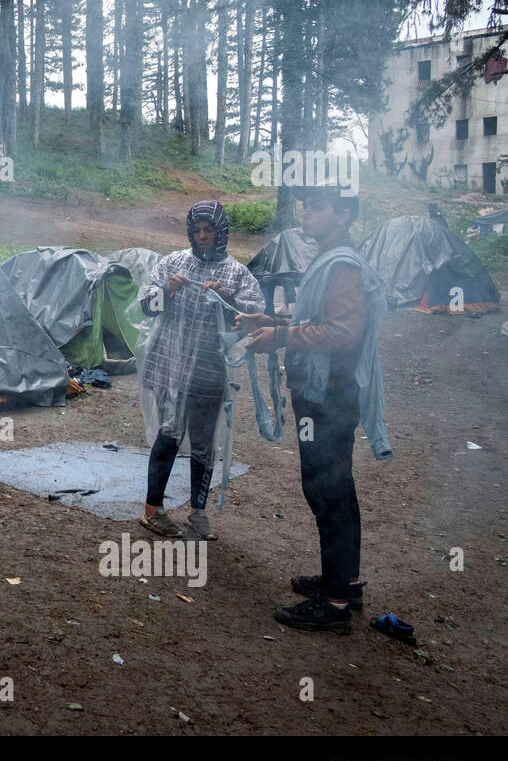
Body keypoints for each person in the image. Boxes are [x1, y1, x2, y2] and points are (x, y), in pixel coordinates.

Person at [241, 185, 391, 634]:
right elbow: (319, 323)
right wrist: (271, 322)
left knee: (326, 490)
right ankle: (343, 581)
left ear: (343, 216)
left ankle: (336, 604)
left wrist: (283, 338)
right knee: (336, 488)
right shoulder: (329, 258)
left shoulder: (342, 264)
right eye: (306, 206)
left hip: (327, 397)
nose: (307, 214)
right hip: (325, 393)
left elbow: (343, 332)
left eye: (318, 207)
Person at [137, 201, 262, 541]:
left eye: (209, 230)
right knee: (169, 433)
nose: (203, 236)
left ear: (221, 233)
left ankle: (198, 511)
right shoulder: (173, 263)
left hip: (210, 371)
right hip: (171, 367)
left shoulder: (238, 275)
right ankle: (153, 510)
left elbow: (251, 319)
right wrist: (168, 290)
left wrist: (228, 300)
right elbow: (147, 307)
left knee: (205, 443)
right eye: (197, 231)